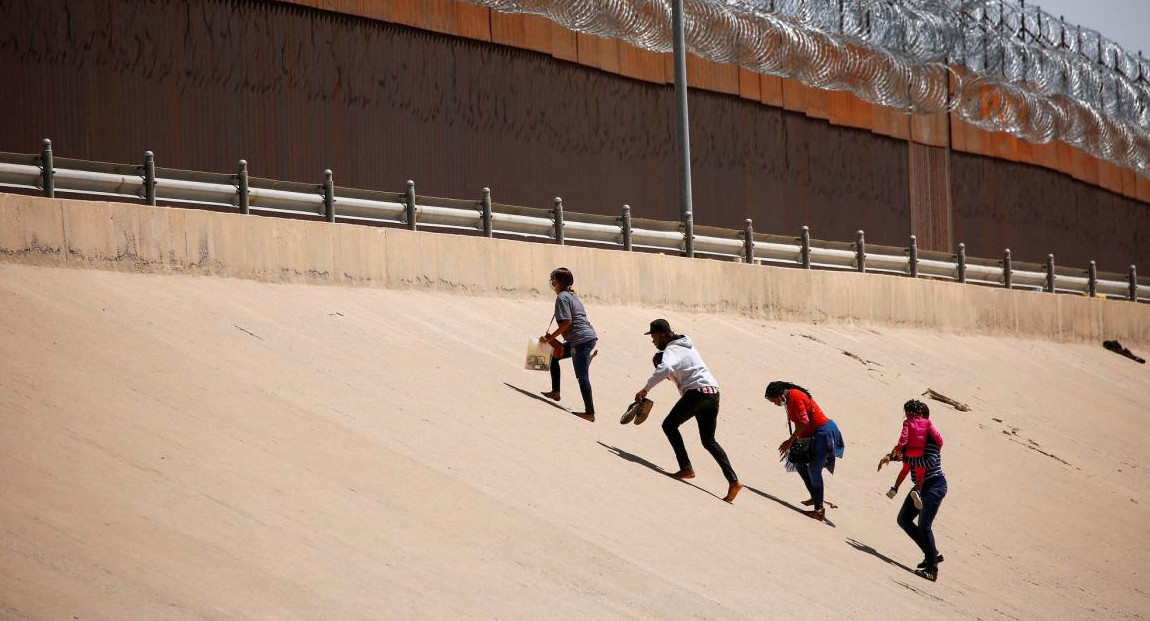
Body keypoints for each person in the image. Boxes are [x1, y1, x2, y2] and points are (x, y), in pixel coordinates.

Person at [634, 319, 741, 503]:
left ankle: (686, 468)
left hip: (698, 393)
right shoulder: (687, 346)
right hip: (712, 393)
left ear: (662, 335)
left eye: (653, 336)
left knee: (669, 425)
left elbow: (665, 367)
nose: (652, 340)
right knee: (709, 440)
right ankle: (734, 481)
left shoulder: (672, 350)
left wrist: (645, 389)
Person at [878, 400, 947, 582]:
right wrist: (888, 456)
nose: (910, 419)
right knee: (904, 519)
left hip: (935, 485)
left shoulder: (930, 441)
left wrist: (907, 458)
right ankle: (932, 553)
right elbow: (902, 453)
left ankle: (932, 568)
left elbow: (929, 462)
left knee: (924, 525)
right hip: (921, 487)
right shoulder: (916, 439)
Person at [764, 381, 844, 521]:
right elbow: (799, 424)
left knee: (814, 469)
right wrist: (795, 443)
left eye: (774, 401)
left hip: (823, 433)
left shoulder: (796, 396)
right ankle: (815, 496)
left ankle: (819, 510)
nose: (775, 404)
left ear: (779, 395)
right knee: (799, 463)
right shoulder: (789, 400)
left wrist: (789, 442)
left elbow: (804, 422)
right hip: (813, 435)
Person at [540, 268, 598, 422]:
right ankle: (555, 392)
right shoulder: (571, 296)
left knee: (582, 376)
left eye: (553, 279)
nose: (551, 282)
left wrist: (549, 338)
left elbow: (567, 323)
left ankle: (590, 412)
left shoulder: (563, 298)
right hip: (582, 338)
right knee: (554, 357)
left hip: (581, 341)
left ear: (558, 282)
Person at [886, 399, 944, 509]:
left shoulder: (907, 422)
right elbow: (938, 438)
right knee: (920, 475)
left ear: (908, 412)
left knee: (904, 471)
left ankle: (894, 489)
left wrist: (898, 449)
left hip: (908, 453)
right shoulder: (926, 423)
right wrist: (939, 448)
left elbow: (904, 438)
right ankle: (917, 491)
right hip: (919, 453)